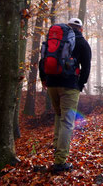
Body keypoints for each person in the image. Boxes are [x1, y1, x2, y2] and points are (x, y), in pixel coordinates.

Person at [39, 17, 92, 173]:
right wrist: (80, 84)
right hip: (69, 86)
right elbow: (86, 67)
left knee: (58, 115)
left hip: (51, 83)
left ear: (68, 27)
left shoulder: (56, 40)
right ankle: (60, 161)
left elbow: (44, 60)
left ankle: (57, 147)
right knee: (67, 122)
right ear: (81, 29)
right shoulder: (82, 43)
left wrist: (44, 79)